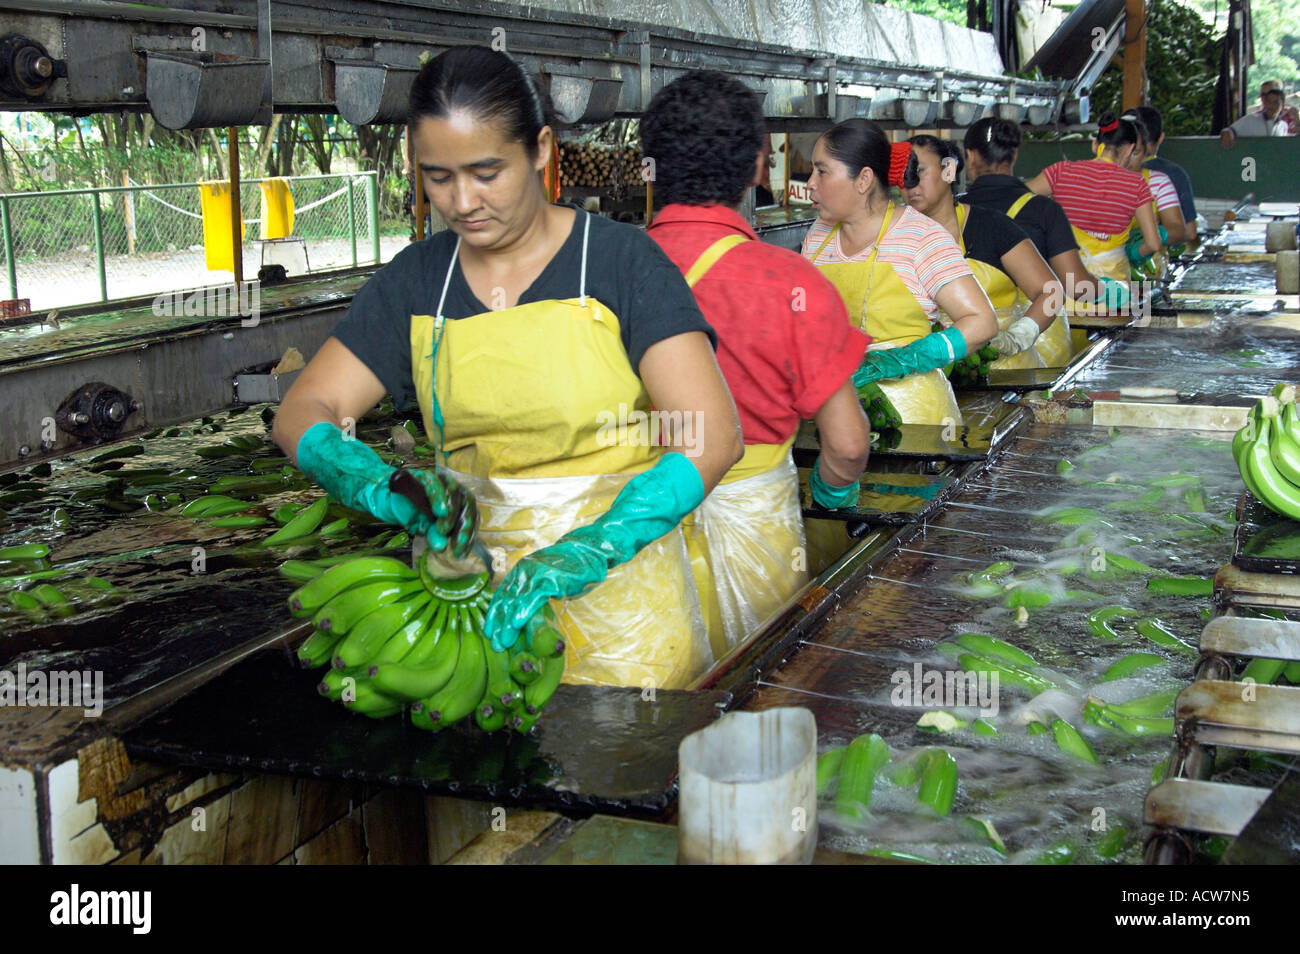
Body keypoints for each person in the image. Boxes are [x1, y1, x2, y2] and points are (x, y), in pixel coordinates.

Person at [271, 47, 744, 691]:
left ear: (542, 149)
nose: (463, 201)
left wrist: (590, 549)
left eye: (486, 171)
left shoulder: (621, 262)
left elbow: (713, 435)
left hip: (625, 621)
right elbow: (303, 413)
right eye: (438, 177)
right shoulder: (417, 280)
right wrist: (384, 487)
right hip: (468, 621)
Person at [641, 71, 871, 656]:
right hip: (757, 531)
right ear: (752, 168)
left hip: (633, 534)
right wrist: (830, 497)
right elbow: (845, 444)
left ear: (654, 164)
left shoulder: (600, 274)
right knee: (761, 686)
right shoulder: (791, 281)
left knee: (653, 710)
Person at [801, 119, 998, 426]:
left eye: (822, 171)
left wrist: (904, 359)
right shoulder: (818, 235)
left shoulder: (920, 237)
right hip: (835, 416)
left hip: (915, 419)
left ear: (864, 179)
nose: (810, 183)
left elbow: (982, 322)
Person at [960, 117, 1121, 366]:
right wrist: (1110, 291)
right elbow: (1076, 285)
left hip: (966, 348)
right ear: (1014, 155)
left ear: (970, 156)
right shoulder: (1042, 210)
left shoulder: (953, 212)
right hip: (1038, 342)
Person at [904, 135, 1063, 373]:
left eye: (919, 171)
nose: (910, 184)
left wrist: (1019, 336)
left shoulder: (990, 226)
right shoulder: (895, 237)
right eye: (903, 176)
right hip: (930, 379)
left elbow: (1051, 293)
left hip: (1006, 375)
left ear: (949, 170)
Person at [1023, 111, 1163, 285]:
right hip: (1113, 292)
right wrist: (1133, 253)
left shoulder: (1060, 172)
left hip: (1066, 287)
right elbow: (1153, 244)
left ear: (1095, 145)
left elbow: (1017, 199)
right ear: (1129, 150)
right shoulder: (1137, 185)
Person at [1130, 105, 1197, 249]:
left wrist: (1138, 247)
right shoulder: (1172, 174)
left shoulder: (1157, 180)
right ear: (1161, 138)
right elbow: (1190, 232)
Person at [1220, 80, 1294, 147]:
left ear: (1282, 105)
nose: (1271, 105)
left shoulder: (1284, 125)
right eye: (1268, 100)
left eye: (1275, 102)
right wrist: (1227, 133)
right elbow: (1229, 130)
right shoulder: (1251, 119)